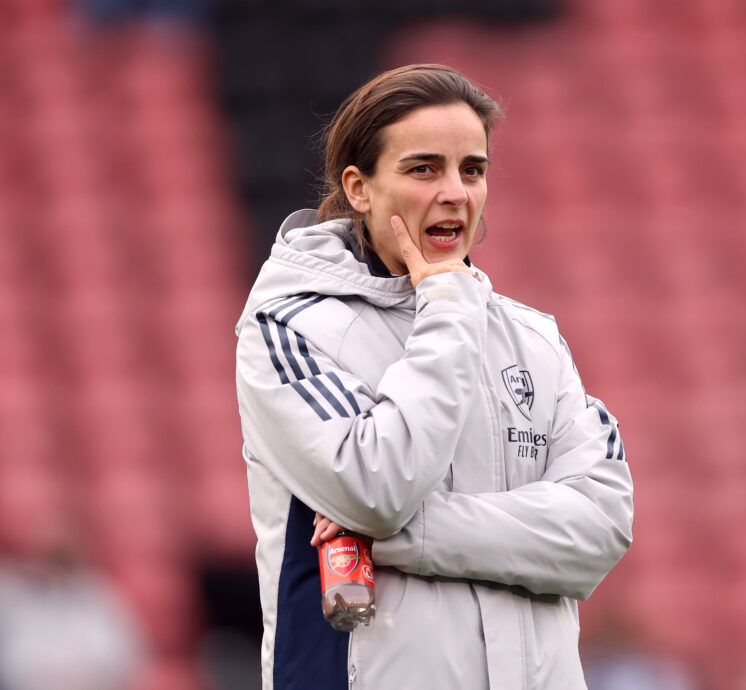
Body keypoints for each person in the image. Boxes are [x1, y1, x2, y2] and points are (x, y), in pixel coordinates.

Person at [234, 64, 634, 689]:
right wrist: (446, 305)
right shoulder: (288, 329)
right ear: (359, 188)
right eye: (424, 169)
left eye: (472, 170)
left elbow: (599, 529)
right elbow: (376, 489)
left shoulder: (536, 339)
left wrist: (406, 536)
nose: (455, 193)